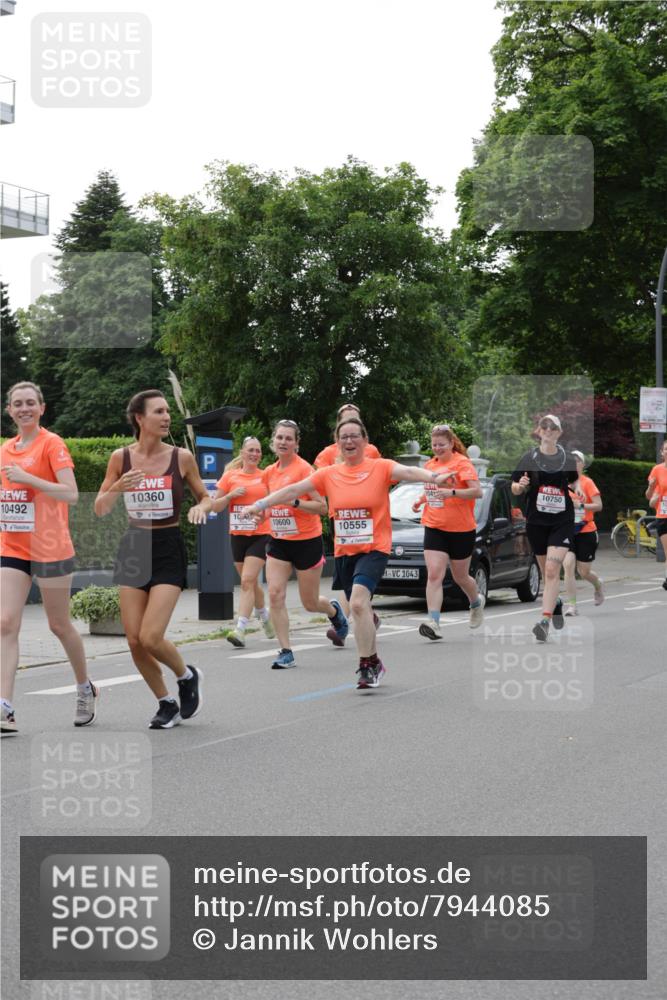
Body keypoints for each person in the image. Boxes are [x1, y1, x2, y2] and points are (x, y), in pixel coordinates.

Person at [246, 417, 456, 690]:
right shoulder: (328, 474)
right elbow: (294, 489)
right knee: (360, 608)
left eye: (354, 436)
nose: (349, 441)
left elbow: (408, 472)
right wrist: (260, 503)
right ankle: (373, 660)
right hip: (345, 551)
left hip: (374, 549)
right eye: (343, 437)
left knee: (357, 603)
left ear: (365, 440)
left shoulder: (380, 467)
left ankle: (368, 663)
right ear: (337, 442)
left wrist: (434, 476)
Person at [94, 390, 211, 729]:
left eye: (167, 411)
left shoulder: (181, 457)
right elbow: (100, 508)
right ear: (139, 418)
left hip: (167, 546)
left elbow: (205, 497)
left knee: (150, 636)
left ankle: (187, 675)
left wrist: (201, 507)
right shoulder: (120, 458)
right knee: (133, 639)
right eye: (158, 411)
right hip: (133, 546)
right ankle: (166, 702)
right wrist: (118, 487)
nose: (166, 417)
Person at [1, 381, 99, 734]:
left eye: (30, 403)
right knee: (5, 622)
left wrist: (29, 477)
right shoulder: (4, 450)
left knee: (58, 625)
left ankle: (85, 687)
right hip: (13, 546)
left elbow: (71, 493)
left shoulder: (52, 444)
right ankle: (5, 708)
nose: (24, 408)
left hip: (51, 547)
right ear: (9, 410)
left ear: (42, 408)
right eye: (17, 404)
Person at [252, 419, 348, 669]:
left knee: (310, 602)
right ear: (273, 441)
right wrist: (259, 515)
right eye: (279, 438)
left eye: (288, 438)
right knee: (275, 594)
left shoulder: (305, 471)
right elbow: (268, 505)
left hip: (307, 541)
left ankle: (334, 612)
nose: (283, 442)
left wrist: (295, 503)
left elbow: (323, 507)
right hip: (279, 542)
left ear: (296, 443)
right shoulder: (269, 473)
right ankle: (286, 651)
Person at [314, 404, 382, 641]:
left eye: (355, 423)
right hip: (340, 519)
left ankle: (351, 618)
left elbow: (381, 479)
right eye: (346, 423)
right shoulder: (327, 454)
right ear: (338, 427)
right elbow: (317, 481)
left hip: (369, 521)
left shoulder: (372, 451)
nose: (350, 437)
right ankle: (362, 615)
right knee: (347, 579)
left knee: (360, 580)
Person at [411, 424, 484, 639]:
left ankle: (476, 602)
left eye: (441, 444)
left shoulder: (462, 463)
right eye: (434, 445)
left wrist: (451, 492)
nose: (437, 448)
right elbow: (432, 492)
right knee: (434, 574)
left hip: (461, 528)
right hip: (435, 525)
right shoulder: (429, 465)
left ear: (451, 443)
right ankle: (433, 622)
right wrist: (420, 501)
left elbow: (477, 491)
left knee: (461, 577)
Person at [511, 414, 579, 642]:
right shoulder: (528, 457)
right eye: (544, 427)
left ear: (559, 432)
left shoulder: (566, 458)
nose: (548, 430)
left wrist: (577, 491)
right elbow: (514, 487)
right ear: (539, 431)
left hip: (562, 520)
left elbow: (573, 480)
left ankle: (544, 621)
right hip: (537, 521)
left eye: (553, 427)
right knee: (544, 572)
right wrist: (520, 486)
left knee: (551, 571)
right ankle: (557, 602)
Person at [210, 436, 275, 647]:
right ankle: (264, 616)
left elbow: (274, 504)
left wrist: (263, 515)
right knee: (251, 583)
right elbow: (215, 506)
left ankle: (240, 629)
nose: (255, 454)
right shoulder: (230, 476)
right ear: (243, 452)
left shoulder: (266, 476)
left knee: (247, 581)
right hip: (237, 536)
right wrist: (230, 497)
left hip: (260, 534)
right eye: (251, 450)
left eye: (258, 451)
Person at [562, 450, 604, 615]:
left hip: (586, 529)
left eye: (576, 460)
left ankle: (598, 585)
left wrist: (581, 506)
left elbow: (598, 505)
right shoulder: (562, 482)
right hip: (567, 530)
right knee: (568, 565)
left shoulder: (587, 482)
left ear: (582, 464)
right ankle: (572, 606)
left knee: (583, 571)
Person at [313, 403, 381, 468]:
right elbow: (320, 478)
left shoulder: (372, 451)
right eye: (347, 420)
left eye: (355, 420)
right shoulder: (327, 454)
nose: (351, 424)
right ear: (338, 424)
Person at [646, 439, 667, 590]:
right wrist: (652, 488)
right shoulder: (657, 470)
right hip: (663, 515)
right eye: (666, 449)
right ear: (662, 452)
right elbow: (649, 497)